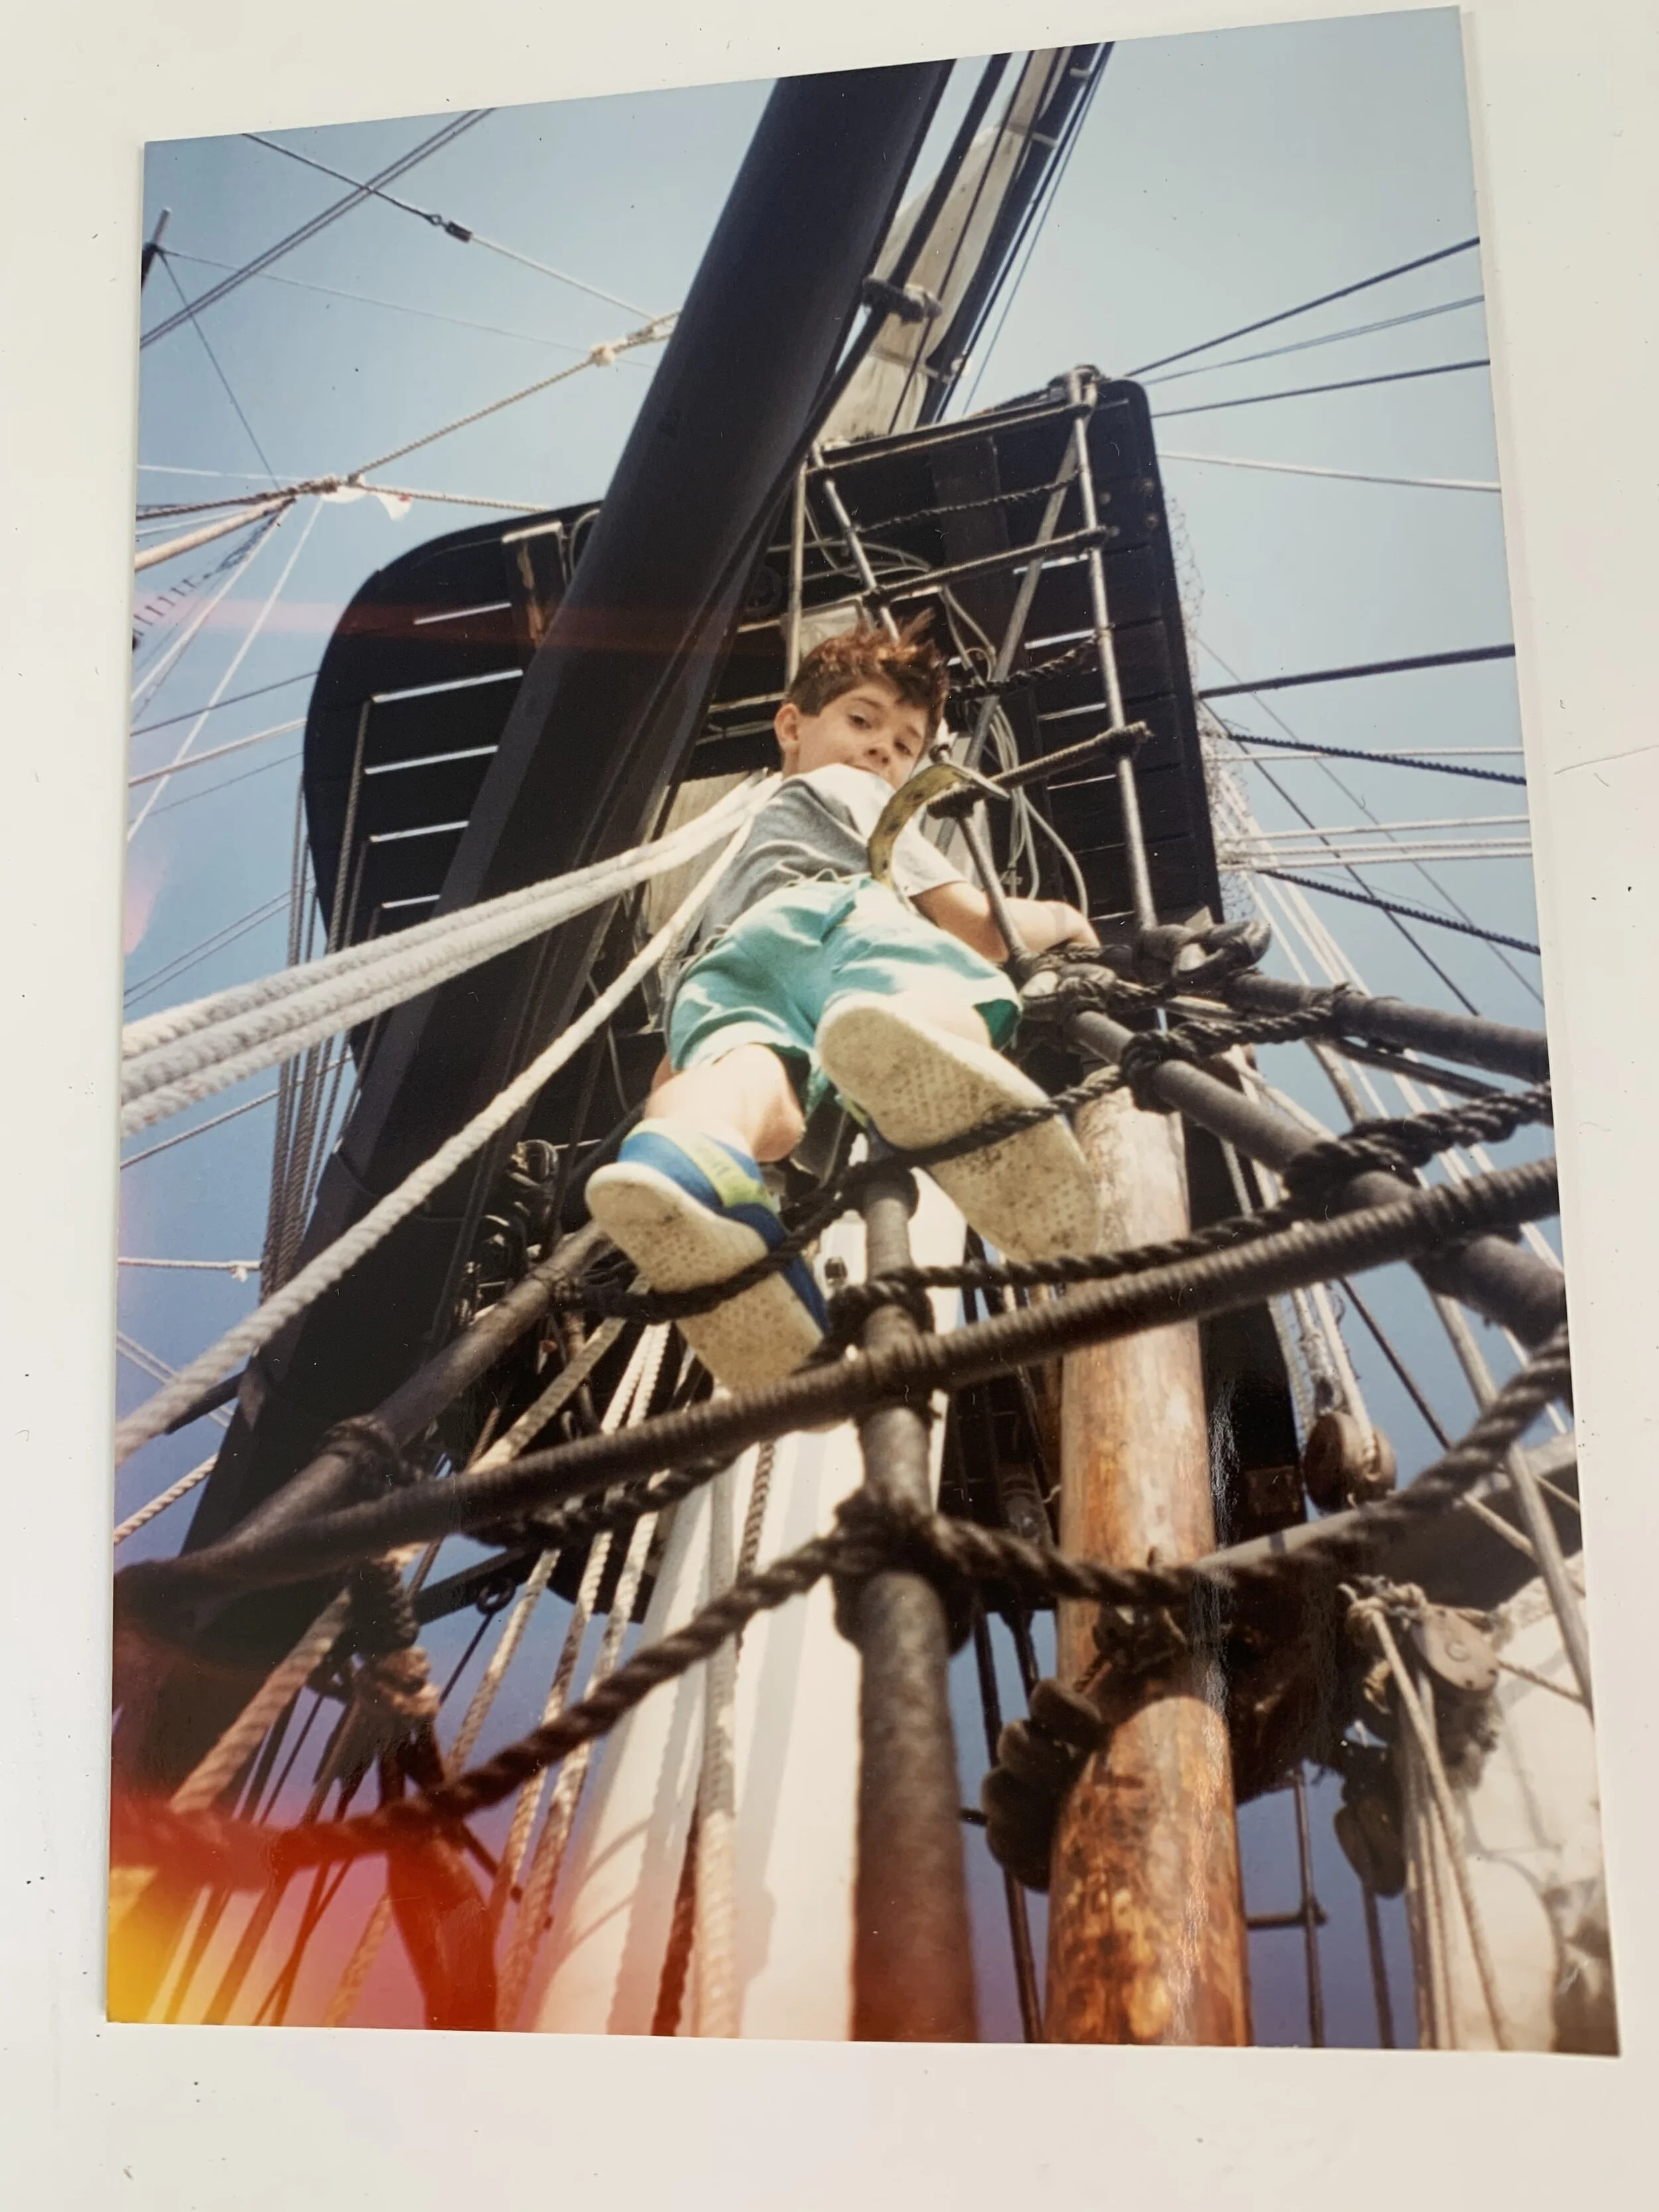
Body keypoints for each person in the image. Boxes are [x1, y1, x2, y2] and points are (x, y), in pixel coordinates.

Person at [587, 617, 1102, 1389]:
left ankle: (689, 1156)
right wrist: (1062, 920)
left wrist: (678, 1093)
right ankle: (933, 1051)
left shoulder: (737, 845)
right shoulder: (854, 792)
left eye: (903, 747)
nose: (880, 752)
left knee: (760, 1099)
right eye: (862, 721)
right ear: (791, 726)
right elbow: (980, 926)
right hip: (835, 918)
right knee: (922, 984)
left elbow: (673, 1062)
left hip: (717, 969)